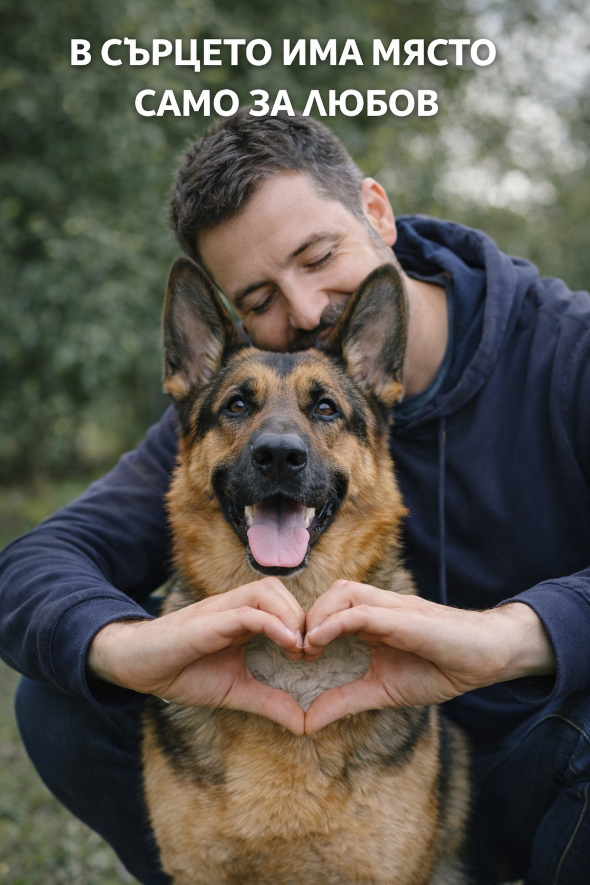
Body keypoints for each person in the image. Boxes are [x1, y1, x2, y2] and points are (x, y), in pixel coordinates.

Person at [1, 110, 589, 885]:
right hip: (275, 733)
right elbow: (33, 564)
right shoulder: (240, 410)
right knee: (62, 693)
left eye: (318, 255)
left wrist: (510, 637)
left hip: (540, 760)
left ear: (376, 212)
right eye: (259, 298)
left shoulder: (571, 354)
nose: (307, 311)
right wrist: (127, 647)